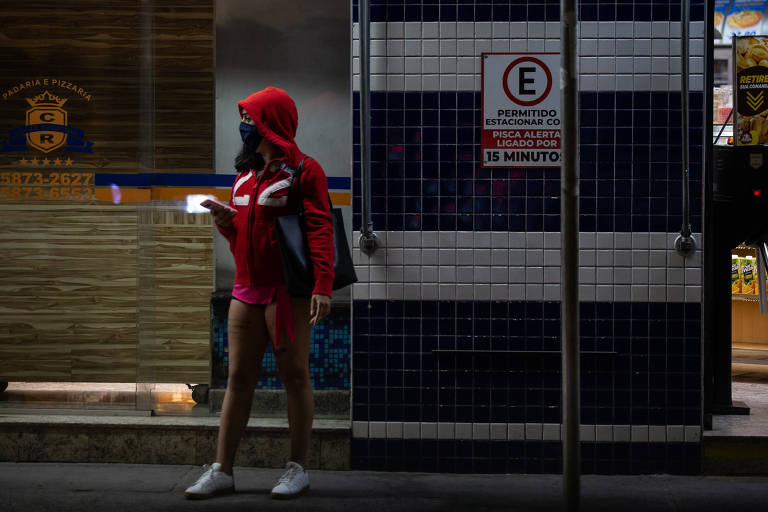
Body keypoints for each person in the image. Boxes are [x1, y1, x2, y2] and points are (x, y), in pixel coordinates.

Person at [184, 87, 334, 500]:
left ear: (271, 122)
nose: (245, 126)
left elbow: (320, 229)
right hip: (245, 291)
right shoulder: (245, 176)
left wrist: (323, 285)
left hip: (287, 295)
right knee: (236, 380)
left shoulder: (305, 170)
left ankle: (297, 468)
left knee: (295, 376)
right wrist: (227, 223)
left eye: (250, 118)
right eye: (243, 118)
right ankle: (222, 470)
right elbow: (242, 244)